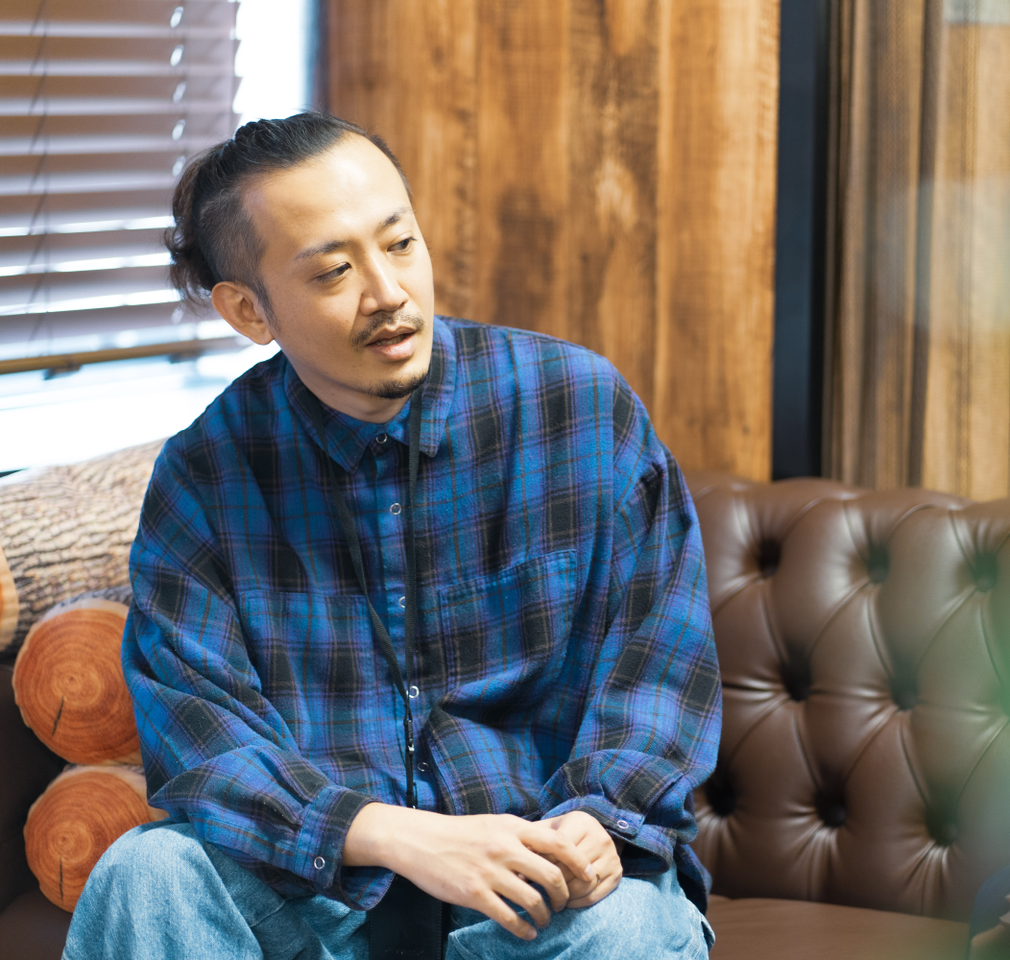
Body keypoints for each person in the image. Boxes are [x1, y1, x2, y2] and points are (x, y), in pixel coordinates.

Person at [62, 113, 721, 960]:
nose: (389, 293)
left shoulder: (578, 409)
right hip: (323, 900)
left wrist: (601, 820)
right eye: (334, 271)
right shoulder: (205, 477)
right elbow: (203, 740)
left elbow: (661, 661)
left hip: (544, 894)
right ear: (249, 310)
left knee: (623, 926)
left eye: (401, 243)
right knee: (147, 874)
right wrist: (394, 834)